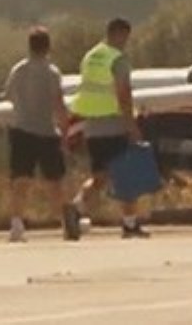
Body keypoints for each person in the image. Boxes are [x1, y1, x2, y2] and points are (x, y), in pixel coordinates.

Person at [69, 17, 148, 238]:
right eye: (125, 37)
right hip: (113, 124)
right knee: (125, 175)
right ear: (119, 34)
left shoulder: (91, 56)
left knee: (99, 176)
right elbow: (123, 94)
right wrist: (131, 125)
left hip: (92, 125)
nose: (126, 42)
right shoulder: (118, 59)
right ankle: (130, 224)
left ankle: (76, 208)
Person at [2, 26, 80, 242]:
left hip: (21, 130)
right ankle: (66, 222)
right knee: (55, 181)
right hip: (45, 131)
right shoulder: (52, 72)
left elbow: (8, 95)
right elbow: (58, 104)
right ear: (48, 47)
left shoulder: (18, 70)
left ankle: (17, 224)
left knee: (20, 180)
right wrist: (65, 131)